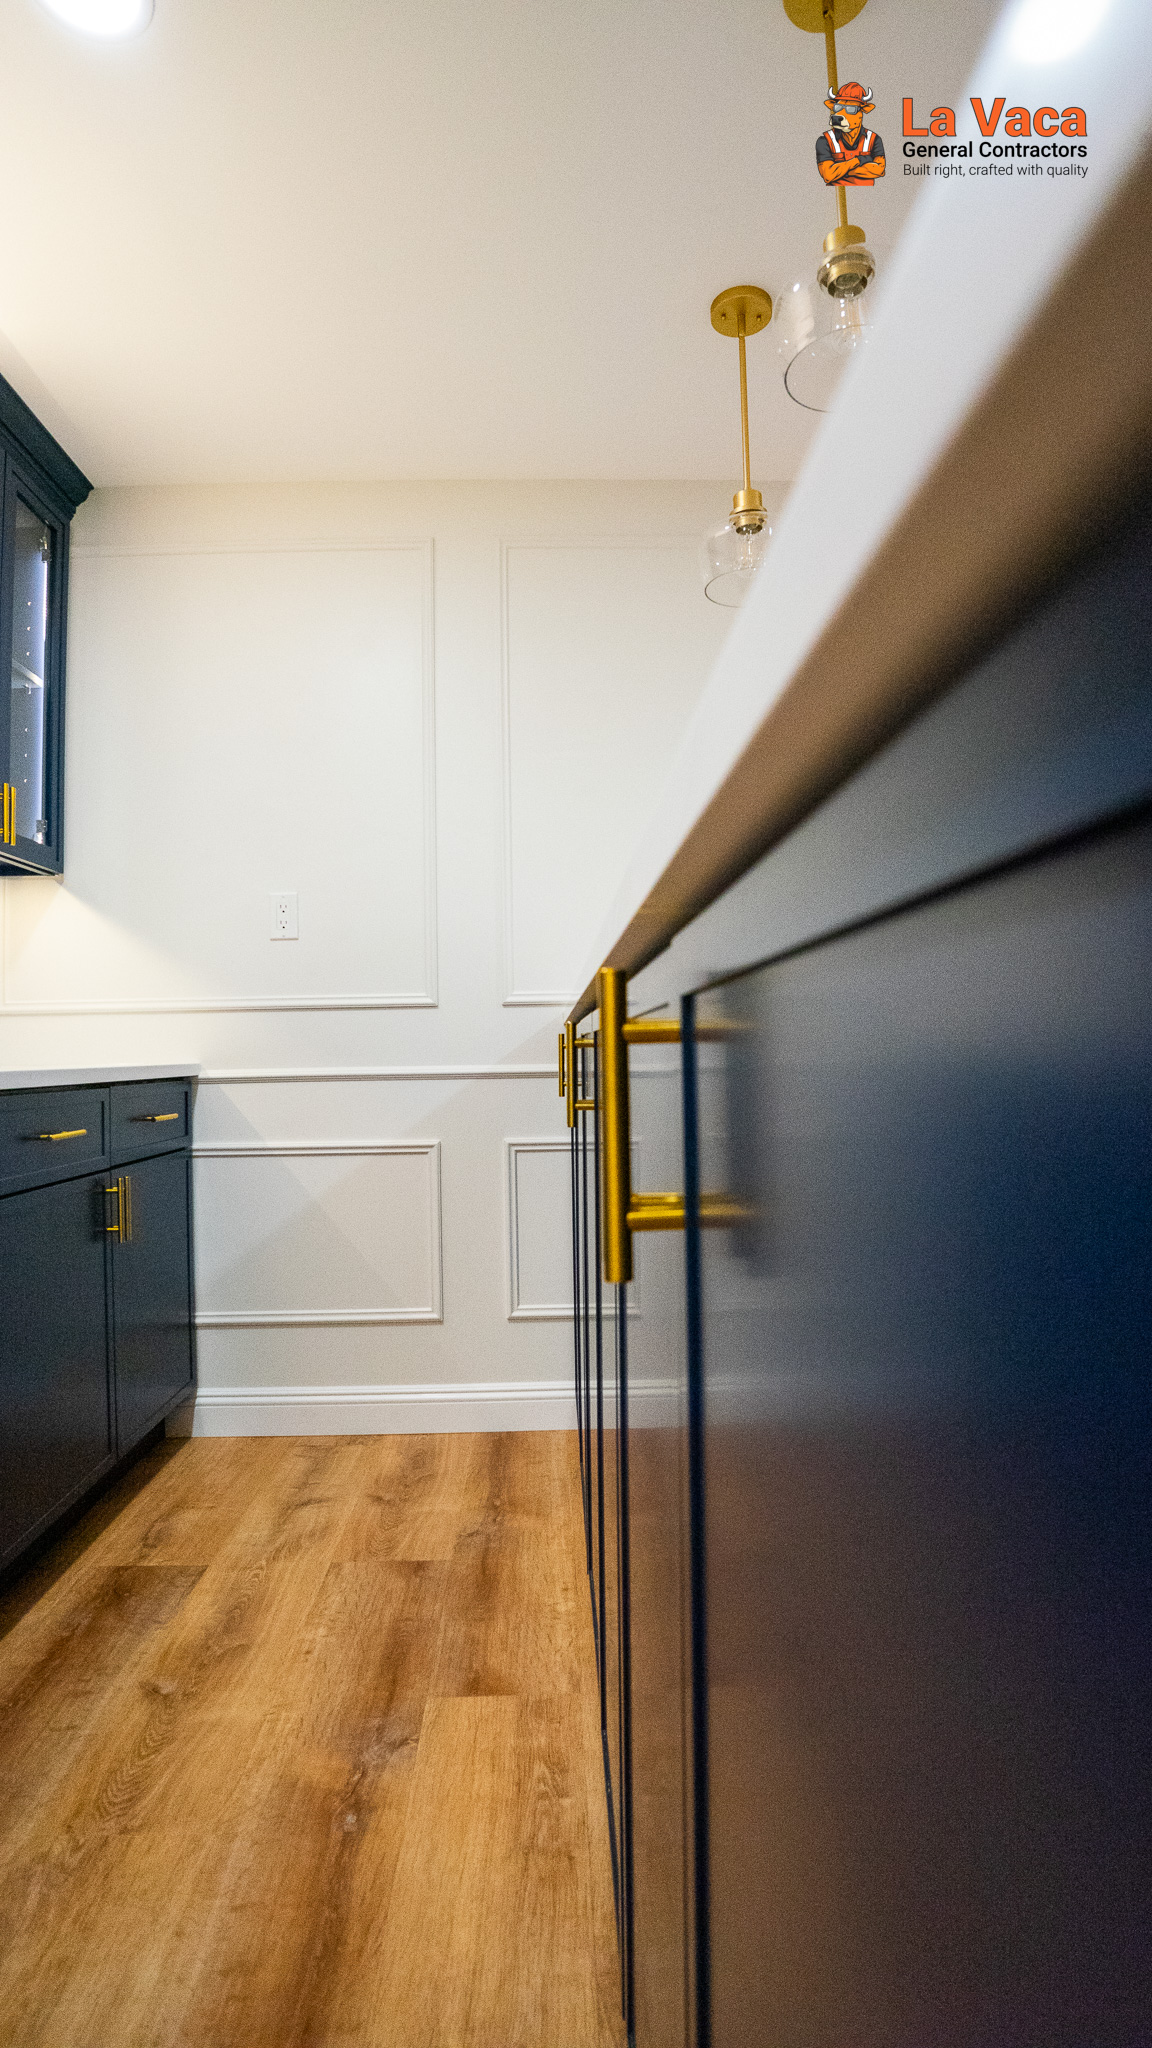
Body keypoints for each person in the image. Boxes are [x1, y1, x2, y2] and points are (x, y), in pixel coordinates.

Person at [816, 81, 886, 187]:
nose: (839, 114)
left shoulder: (874, 139)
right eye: (838, 108)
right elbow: (828, 175)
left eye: (851, 109)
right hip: (835, 195)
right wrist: (858, 161)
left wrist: (842, 171)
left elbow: (879, 170)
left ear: (863, 111)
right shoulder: (824, 140)